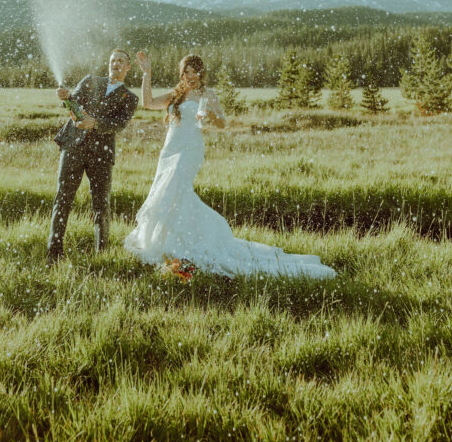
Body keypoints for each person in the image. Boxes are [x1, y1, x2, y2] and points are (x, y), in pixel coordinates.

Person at [124, 52, 336, 279]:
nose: (191, 75)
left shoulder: (208, 94)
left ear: (201, 73)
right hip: (169, 151)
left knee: (173, 188)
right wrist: (146, 74)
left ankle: (181, 243)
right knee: (168, 193)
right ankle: (171, 240)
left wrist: (209, 115)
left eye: (195, 71)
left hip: (190, 151)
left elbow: (223, 123)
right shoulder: (176, 95)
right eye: (187, 71)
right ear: (182, 73)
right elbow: (147, 103)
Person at [47, 50, 139, 263]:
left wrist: (95, 123)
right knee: (63, 199)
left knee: (101, 204)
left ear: (127, 68)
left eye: (121, 61)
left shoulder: (130, 98)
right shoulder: (90, 81)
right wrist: (66, 97)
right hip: (73, 148)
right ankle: (54, 252)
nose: (115, 64)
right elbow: (72, 104)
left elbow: (120, 124)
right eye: (113, 60)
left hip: (101, 155)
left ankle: (102, 255)